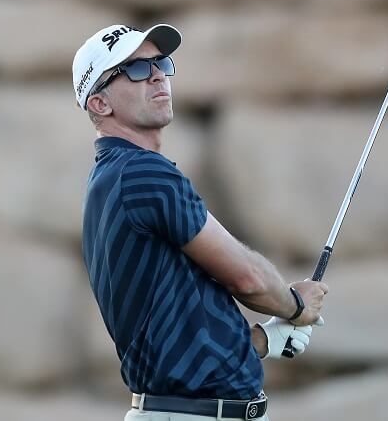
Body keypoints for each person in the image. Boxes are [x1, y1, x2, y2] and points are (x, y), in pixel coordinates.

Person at [74, 23, 328, 421]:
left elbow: (175, 326)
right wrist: (295, 306)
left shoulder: (112, 177)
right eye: (137, 70)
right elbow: (247, 278)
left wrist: (261, 340)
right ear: (99, 105)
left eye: (160, 63)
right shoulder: (144, 175)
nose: (157, 74)